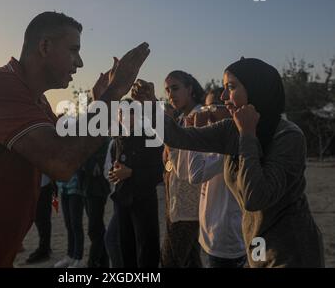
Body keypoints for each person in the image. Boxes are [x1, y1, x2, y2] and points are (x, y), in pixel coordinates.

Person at [0, 11, 150, 267]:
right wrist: (115, 90)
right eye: (73, 50)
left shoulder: (36, 100)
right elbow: (61, 161)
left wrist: (101, 103)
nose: (80, 63)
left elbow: (71, 144)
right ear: (44, 46)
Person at [132, 57, 325, 267]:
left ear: (256, 89)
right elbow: (178, 137)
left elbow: (254, 198)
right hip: (256, 242)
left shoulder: (288, 137)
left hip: (291, 249)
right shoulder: (231, 129)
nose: (223, 97)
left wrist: (247, 135)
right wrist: (151, 106)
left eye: (231, 87)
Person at [187, 88, 246, 268]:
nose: (207, 113)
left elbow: (195, 175)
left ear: (228, 108)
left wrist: (195, 131)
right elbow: (183, 171)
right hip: (210, 233)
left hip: (225, 238)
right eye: (205, 108)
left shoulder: (230, 146)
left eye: (212, 107)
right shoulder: (214, 142)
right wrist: (187, 134)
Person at [108, 99, 164, 268]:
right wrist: (114, 173)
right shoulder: (118, 139)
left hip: (143, 201)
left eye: (129, 112)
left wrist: (132, 173)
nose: (124, 116)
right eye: (120, 112)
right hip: (122, 200)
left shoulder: (150, 136)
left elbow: (159, 172)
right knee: (125, 250)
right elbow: (116, 166)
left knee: (146, 251)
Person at [160, 71, 204, 268]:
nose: (171, 95)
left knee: (170, 262)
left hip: (190, 208)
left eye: (175, 88)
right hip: (177, 205)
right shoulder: (181, 119)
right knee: (191, 262)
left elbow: (187, 168)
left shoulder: (201, 117)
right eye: (168, 91)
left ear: (190, 89)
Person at [80, 140, 111, 268]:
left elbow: (95, 168)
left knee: (94, 228)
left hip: (97, 189)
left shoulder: (102, 140)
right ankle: (103, 261)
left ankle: (93, 261)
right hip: (88, 188)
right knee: (96, 227)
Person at [54, 173, 85, 268]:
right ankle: (70, 255)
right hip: (63, 187)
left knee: (76, 224)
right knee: (68, 224)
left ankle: (78, 257)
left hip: (76, 188)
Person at [103, 138, 124, 268]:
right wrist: (113, 173)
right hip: (118, 198)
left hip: (137, 199)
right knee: (113, 240)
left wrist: (130, 173)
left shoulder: (142, 136)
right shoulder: (114, 143)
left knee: (111, 239)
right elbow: (107, 170)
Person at [26, 174, 56, 264]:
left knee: (42, 219)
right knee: (40, 219)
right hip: (41, 184)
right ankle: (44, 247)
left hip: (43, 185)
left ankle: (44, 249)